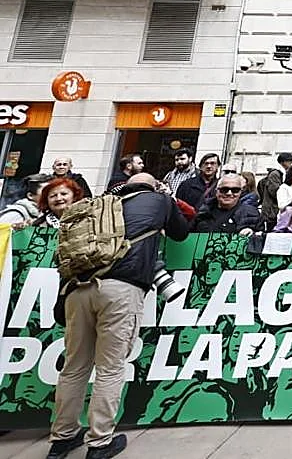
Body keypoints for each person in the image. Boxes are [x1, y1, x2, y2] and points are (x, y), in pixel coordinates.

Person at [49, 172, 189, 459]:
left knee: (74, 367)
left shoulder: (103, 204)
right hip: (121, 289)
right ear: (153, 186)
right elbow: (181, 231)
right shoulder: (159, 199)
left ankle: (62, 438)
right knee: (110, 368)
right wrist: (167, 197)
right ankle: (100, 442)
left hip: (77, 288)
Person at [191, 173, 263, 234]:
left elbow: (260, 237)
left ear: (240, 192)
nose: (229, 193)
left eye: (235, 190)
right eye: (224, 189)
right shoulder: (203, 211)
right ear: (216, 191)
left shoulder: (251, 213)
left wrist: (252, 232)